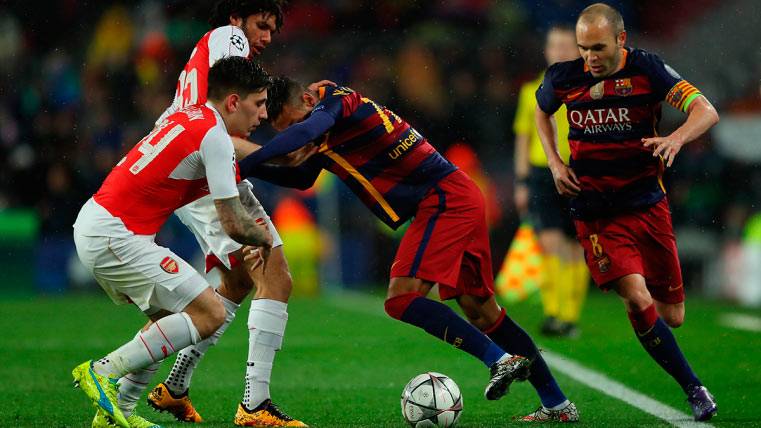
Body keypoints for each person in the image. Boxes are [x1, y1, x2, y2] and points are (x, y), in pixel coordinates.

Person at [237, 77, 580, 422]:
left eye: (293, 124)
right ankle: (557, 404)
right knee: (481, 311)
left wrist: (241, 164)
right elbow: (302, 178)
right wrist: (248, 172)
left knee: (401, 298)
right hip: (457, 195)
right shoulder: (324, 127)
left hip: (444, 199)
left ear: (308, 100)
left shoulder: (335, 103)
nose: (296, 135)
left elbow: (305, 132)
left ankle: (499, 360)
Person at [534, 3, 720, 421]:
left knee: (672, 316)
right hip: (595, 211)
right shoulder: (564, 77)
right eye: (583, 48)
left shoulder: (647, 69)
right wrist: (555, 163)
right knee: (636, 297)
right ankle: (694, 388)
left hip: (647, 204)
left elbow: (706, 110)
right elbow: (541, 112)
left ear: (621, 40)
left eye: (598, 48)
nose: (589, 58)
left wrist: (675, 138)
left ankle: (649, 316)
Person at [142, 2, 325, 426]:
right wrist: (279, 155)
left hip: (189, 164)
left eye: (272, 30)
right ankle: (254, 404)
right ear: (236, 19)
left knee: (239, 279)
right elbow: (217, 130)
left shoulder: (209, 52)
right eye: (261, 25)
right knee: (275, 274)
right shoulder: (230, 40)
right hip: (202, 168)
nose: (265, 37)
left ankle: (175, 387)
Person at [71, 56, 273, 428]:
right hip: (115, 234)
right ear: (233, 101)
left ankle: (118, 415)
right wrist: (264, 239)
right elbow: (232, 221)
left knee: (167, 323)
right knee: (210, 314)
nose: (263, 114)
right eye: (258, 103)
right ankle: (103, 371)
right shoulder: (214, 136)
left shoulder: (189, 114)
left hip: (100, 225)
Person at [513, 24, 589, 337]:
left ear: (578, 51)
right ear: (546, 51)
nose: (559, 51)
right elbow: (523, 137)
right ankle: (553, 312)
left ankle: (570, 316)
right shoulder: (530, 91)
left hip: (578, 171)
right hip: (542, 172)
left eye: (565, 46)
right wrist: (521, 181)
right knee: (549, 242)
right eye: (554, 46)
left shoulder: (587, 89)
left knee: (575, 244)